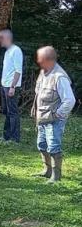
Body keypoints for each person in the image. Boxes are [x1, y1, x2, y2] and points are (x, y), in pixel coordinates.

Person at [31, 46, 76, 183]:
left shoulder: (59, 77)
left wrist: (58, 115)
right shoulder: (43, 72)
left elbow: (70, 100)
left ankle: (56, 176)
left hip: (53, 120)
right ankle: (47, 170)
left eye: (41, 59)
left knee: (53, 147)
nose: (38, 62)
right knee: (41, 145)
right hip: (42, 118)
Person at [0, 29, 23, 143]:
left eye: (1, 38)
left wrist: (13, 87)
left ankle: (14, 138)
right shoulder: (8, 51)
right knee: (7, 112)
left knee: (13, 112)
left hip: (11, 86)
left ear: (7, 38)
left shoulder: (16, 51)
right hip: (5, 85)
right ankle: (6, 136)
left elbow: (18, 71)